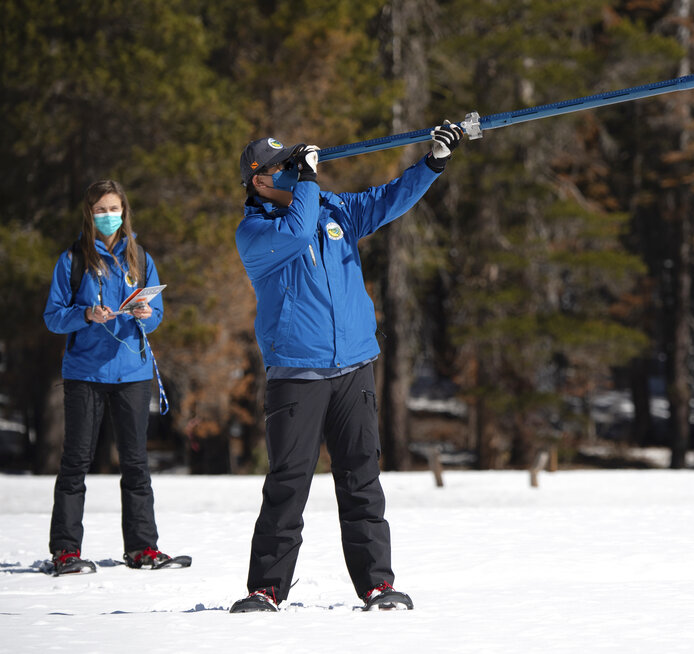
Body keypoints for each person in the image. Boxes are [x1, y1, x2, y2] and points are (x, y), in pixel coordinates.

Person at [228, 121, 464, 613]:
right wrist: (310, 180)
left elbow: (386, 200)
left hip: (354, 366)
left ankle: (378, 585)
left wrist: (433, 163)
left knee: (361, 481)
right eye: (282, 167)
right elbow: (295, 234)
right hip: (297, 373)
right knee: (289, 484)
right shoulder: (255, 232)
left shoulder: (332, 208)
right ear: (258, 181)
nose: (293, 171)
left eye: (295, 162)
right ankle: (265, 589)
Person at [43, 179, 183, 575]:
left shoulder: (140, 257)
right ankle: (65, 551)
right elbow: (53, 317)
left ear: (125, 211)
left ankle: (143, 548)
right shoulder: (71, 260)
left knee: (136, 463)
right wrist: (85, 314)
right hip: (85, 373)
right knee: (76, 462)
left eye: (114, 209)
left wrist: (145, 314)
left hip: (132, 373)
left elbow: (156, 316)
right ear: (89, 214)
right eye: (101, 210)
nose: (108, 216)